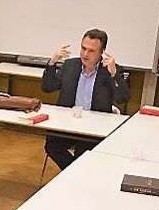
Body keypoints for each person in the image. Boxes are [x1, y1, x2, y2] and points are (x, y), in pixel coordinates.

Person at [41, 28, 130, 169]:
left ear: (102, 52)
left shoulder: (110, 70)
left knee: (84, 153)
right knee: (52, 145)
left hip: (94, 129)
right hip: (67, 124)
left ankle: (73, 174)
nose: (85, 54)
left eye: (91, 51)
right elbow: (47, 87)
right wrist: (52, 62)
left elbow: (123, 98)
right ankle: (74, 172)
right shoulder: (70, 65)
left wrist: (114, 74)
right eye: (83, 48)